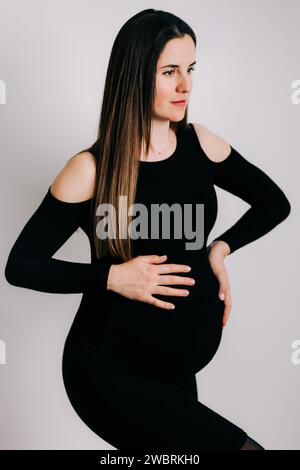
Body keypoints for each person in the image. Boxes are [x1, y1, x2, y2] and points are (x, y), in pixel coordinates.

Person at [4, 9, 290, 450]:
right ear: (136, 74)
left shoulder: (200, 144)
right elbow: (20, 266)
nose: (185, 86)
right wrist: (112, 276)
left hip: (175, 374)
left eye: (190, 69)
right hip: (108, 373)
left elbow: (275, 203)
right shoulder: (90, 170)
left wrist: (221, 248)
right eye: (169, 71)